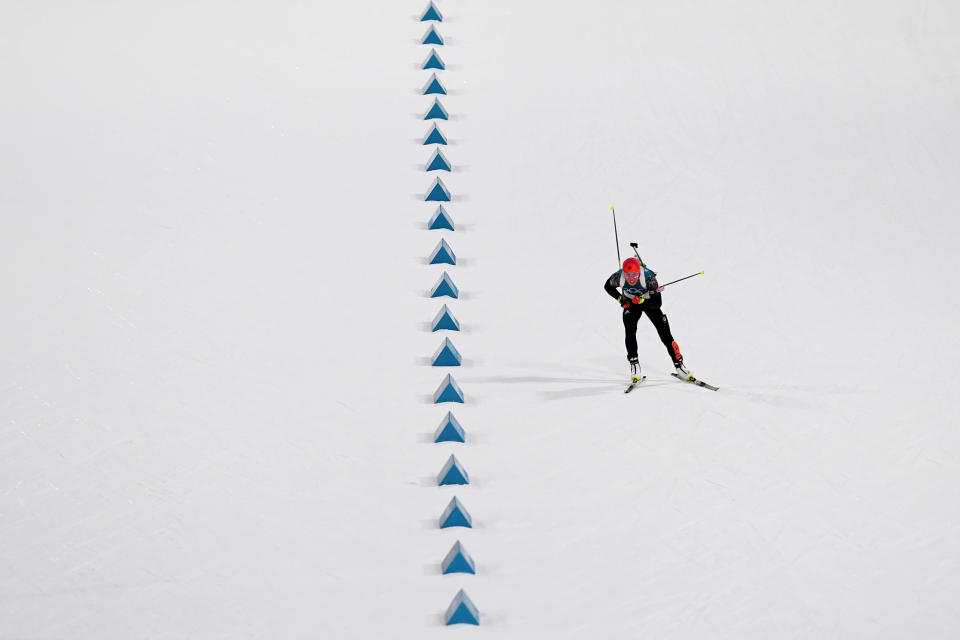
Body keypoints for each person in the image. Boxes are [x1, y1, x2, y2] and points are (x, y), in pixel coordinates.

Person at [604, 257, 694, 382]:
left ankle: (679, 365)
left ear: (639, 272)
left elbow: (658, 302)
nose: (631, 278)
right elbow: (607, 287)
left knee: (665, 333)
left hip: (649, 303)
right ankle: (634, 365)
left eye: (635, 274)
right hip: (631, 303)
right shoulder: (618, 276)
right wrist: (621, 299)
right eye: (628, 274)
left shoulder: (649, 278)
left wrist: (642, 300)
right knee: (630, 331)